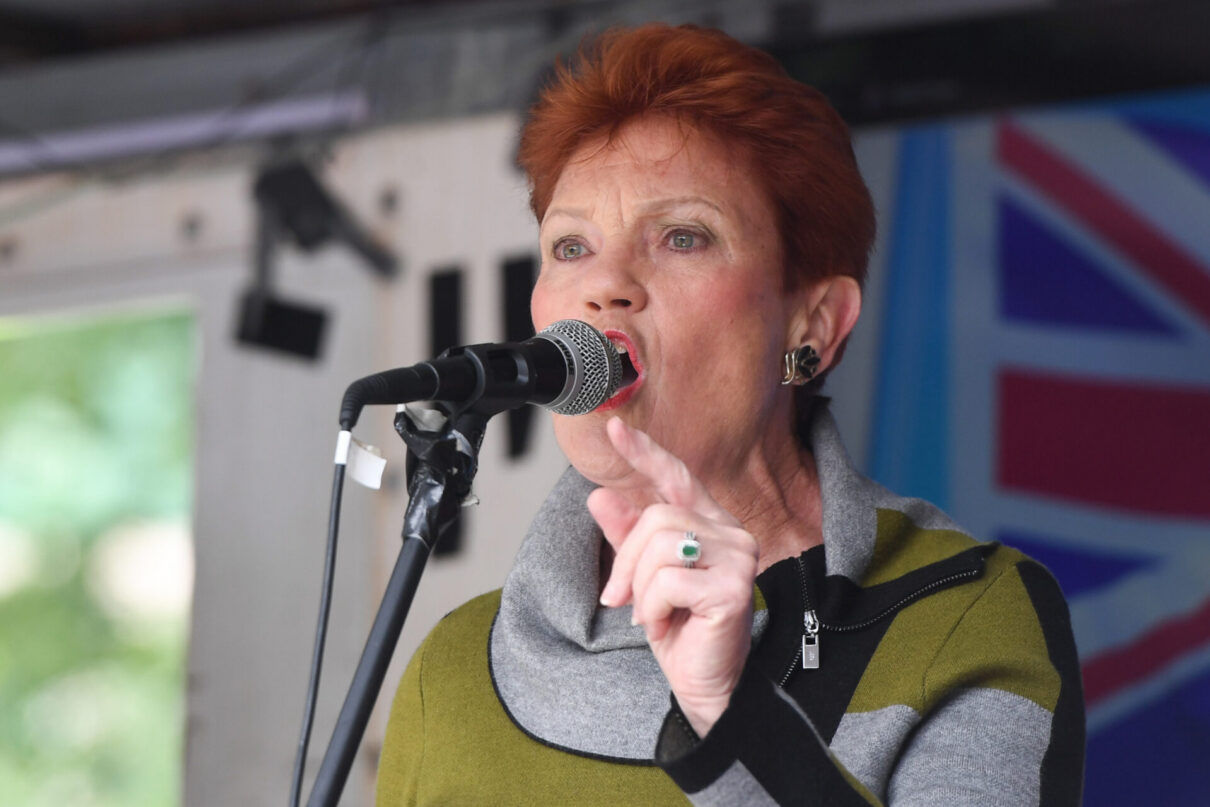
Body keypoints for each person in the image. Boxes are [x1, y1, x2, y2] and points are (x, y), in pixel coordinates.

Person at [376, 23, 1085, 806]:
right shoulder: (452, 668)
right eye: (571, 246)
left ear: (813, 325)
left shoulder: (961, 611)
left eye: (683, 237)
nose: (604, 284)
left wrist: (732, 718)